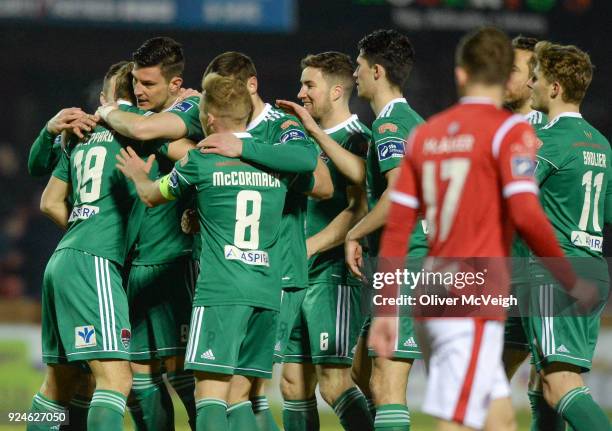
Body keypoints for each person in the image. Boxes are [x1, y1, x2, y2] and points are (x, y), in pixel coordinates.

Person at [370, 27, 595, 431]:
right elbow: (527, 216)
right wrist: (569, 279)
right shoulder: (511, 134)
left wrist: (387, 305)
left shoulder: (426, 134)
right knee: (459, 421)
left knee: (500, 420)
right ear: (510, 73)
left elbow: (399, 226)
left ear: (460, 75)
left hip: (433, 292)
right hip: (469, 299)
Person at [116, 72, 291, 431]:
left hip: (221, 291)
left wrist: (138, 175)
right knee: (241, 398)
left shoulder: (201, 162)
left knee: (210, 395)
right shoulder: (278, 161)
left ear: (209, 118)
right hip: (267, 292)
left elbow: (152, 196)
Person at [199, 51, 333, 431]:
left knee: (237, 393)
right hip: (233, 277)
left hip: (277, 274)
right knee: (247, 394)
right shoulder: (221, 129)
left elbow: (321, 181)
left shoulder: (281, 126)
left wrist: (246, 151)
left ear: (251, 85)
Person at [28, 61, 145, 431]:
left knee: (61, 383)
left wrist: (84, 224)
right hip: (94, 261)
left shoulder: (81, 134)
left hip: (63, 259)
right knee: (116, 380)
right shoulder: (143, 129)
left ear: (103, 97)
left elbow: (49, 201)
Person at [97, 37, 202, 430]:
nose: (139, 91)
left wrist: (110, 108)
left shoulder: (191, 107)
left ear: (175, 85)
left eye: (149, 84)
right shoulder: (148, 121)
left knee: (185, 373)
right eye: (136, 82)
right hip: (137, 263)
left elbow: (194, 158)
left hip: (177, 262)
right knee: (140, 373)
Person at [274, 51, 372, 430]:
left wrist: (310, 246)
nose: (301, 93)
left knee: (334, 383)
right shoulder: (299, 141)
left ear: (335, 91)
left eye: (308, 84)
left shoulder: (359, 140)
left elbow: (359, 208)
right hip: (296, 275)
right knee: (293, 384)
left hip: (335, 277)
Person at [524, 41, 612, 431]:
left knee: (560, 385)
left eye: (537, 78)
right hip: (591, 268)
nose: (530, 84)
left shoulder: (548, 140)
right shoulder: (600, 143)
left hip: (554, 273)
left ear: (555, 88)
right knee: (543, 382)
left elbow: (512, 197)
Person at [343, 29, 427, 431]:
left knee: (386, 383)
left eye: (358, 66)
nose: (353, 74)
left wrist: (354, 232)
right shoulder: (415, 124)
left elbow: (397, 198)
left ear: (377, 71)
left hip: (406, 262)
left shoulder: (392, 125)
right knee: (361, 372)